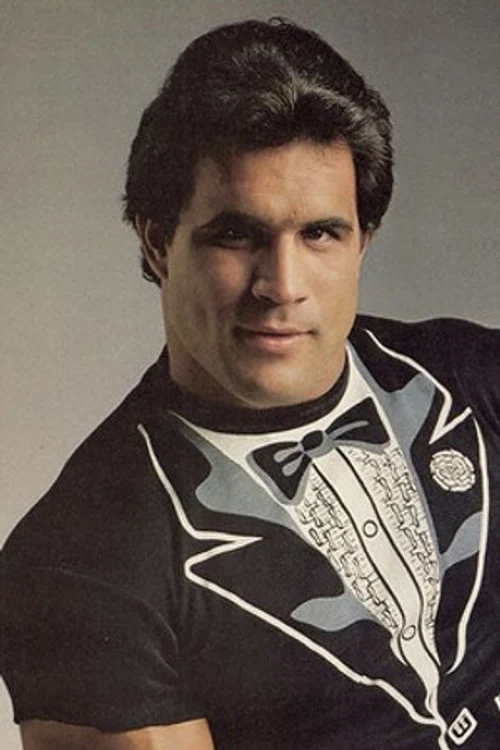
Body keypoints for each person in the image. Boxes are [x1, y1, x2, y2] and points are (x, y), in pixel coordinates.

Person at [1, 18, 499, 750]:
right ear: (157, 242)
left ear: (363, 241)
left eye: (320, 233)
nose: (281, 285)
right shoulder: (78, 561)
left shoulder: (473, 372)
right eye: (236, 235)